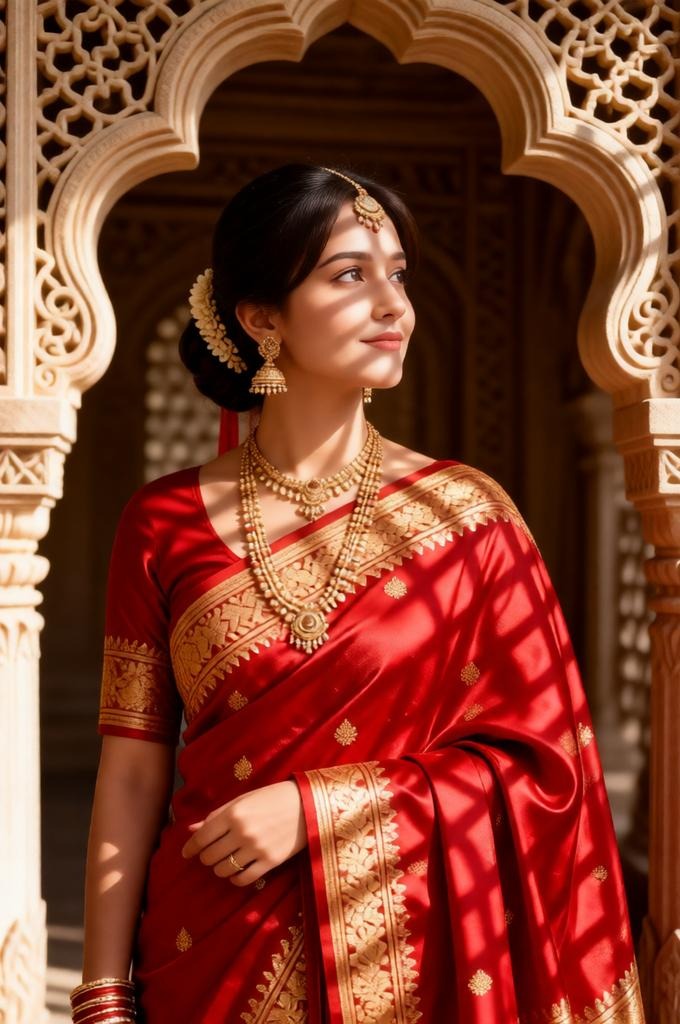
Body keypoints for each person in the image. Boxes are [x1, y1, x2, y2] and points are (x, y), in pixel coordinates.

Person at [72, 164, 645, 1023]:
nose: (393, 306)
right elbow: (130, 771)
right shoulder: (162, 523)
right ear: (262, 318)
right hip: (208, 950)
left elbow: (547, 771)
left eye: (399, 275)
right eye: (350, 275)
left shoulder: (469, 519)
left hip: (416, 958)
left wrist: (320, 809)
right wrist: (102, 995)